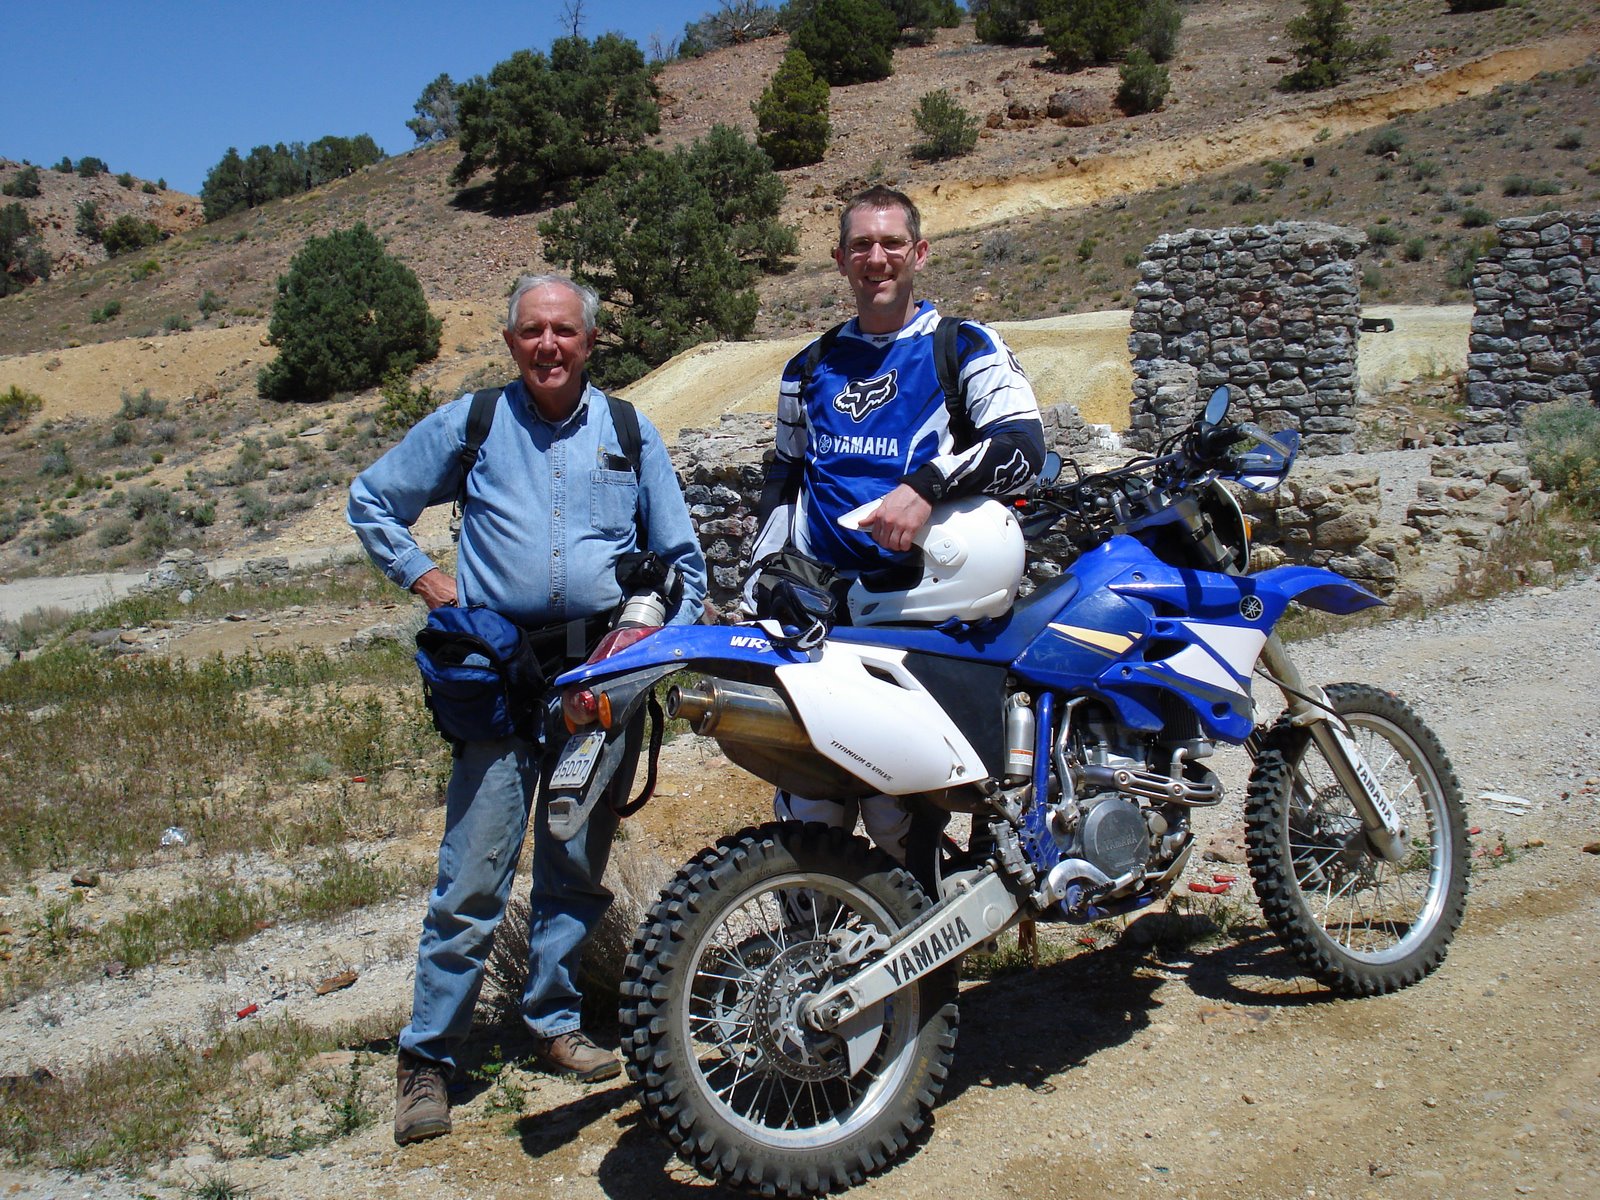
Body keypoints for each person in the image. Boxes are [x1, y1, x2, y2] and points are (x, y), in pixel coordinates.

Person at [348, 273, 707, 1146]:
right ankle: (428, 1058)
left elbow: (683, 562)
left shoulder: (630, 432)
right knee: (473, 873)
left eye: (565, 331)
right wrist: (428, 580)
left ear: (590, 342)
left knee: (574, 863)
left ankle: (555, 1020)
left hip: (596, 684)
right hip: (497, 677)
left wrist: (643, 639)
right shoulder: (471, 424)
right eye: (533, 331)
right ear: (511, 340)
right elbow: (372, 500)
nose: (549, 345)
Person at [746, 185, 1045, 861]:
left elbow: (1023, 446)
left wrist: (925, 487)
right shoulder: (808, 367)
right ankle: (810, 924)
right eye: (860, 245)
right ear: (839, 259)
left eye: (891, 243)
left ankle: (931, 922)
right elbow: (785, 474)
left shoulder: (963, 347)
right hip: (822, 611)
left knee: (898, 809)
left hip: (920, 610)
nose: (876, 259)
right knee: (811, 807)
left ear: (920, 253)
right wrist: (763, 573)